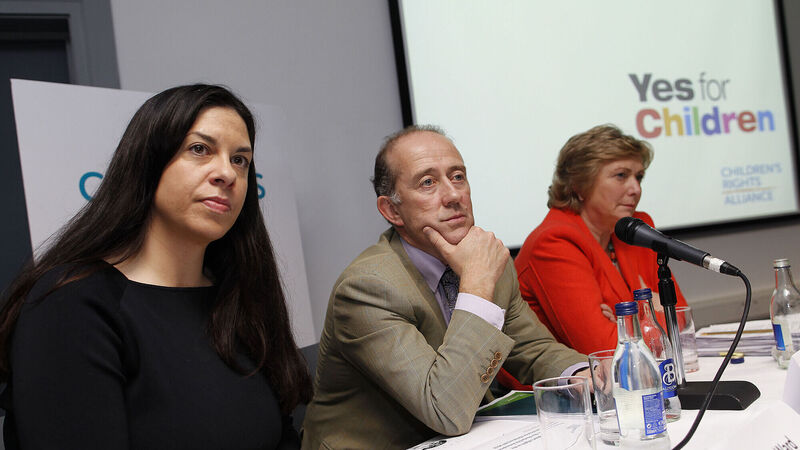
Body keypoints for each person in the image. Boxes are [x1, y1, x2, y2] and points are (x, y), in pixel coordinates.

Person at [0, 84, 312, 449]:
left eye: (240, 160)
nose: (226, 173)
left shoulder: (240, 295)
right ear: (148, 162)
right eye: (200, 149)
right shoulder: (71, 304)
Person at [301, 125, 589, 449]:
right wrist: (477, 285)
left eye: (458, 177)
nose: (453, 195)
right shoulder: (367, 288)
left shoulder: (488, 261)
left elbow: (532, 348)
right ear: (392, 210)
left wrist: (585, 373)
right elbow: (445, 409)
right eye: (428, 182)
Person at [514, 124, 687, 356]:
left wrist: (623, 323)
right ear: (580, 186)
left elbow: (682, 319)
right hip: (575, 378)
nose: (636, 188)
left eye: (639, 177)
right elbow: (603, 349)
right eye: (621, 176)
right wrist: (650, 312)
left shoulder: (636, 229)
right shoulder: (554, 242)